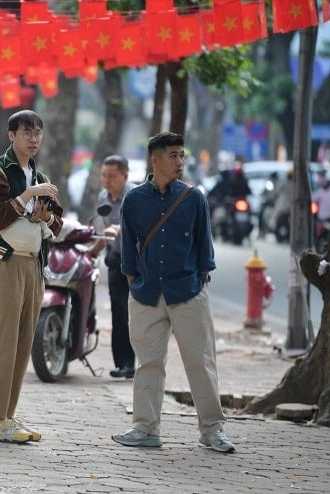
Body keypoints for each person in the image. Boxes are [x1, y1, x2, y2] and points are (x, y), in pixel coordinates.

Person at [112, 132, 236, 453]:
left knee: (201, 362)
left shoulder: (194, 198)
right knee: (148, 364)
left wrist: (196, 285)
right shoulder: (134, 199)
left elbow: (205, 254)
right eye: (173, 156)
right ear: (155, 160)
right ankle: (145, 428)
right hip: (146, 293)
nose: (180, 162)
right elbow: (128, 251)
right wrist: (135, 285)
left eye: (182, 155)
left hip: (188, 293)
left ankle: (212, 429)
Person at [0, 110, 64, 443]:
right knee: (3, 340)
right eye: (27, 132)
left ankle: (8, 416)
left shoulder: (39, 174)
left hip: (33, 264)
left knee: (24, 341)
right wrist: (28, 196)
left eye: (39, 133)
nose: (34, 139)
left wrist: (45, 215)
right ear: (11, 135)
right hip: (5, 262)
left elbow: (56, 221)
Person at [89, 155, 136, 379]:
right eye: (103, 175)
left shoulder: (135, 196)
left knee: (135, 312)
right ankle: (123, 364)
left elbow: (140, 229)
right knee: (118, 310)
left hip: (137, 263)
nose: (107, 180)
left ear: (125, 176)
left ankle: (136, 362)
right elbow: (104, 231)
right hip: (116, 259)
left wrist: (120, 229)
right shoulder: (102, 198)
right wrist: (91, 252)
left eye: (112, 176)